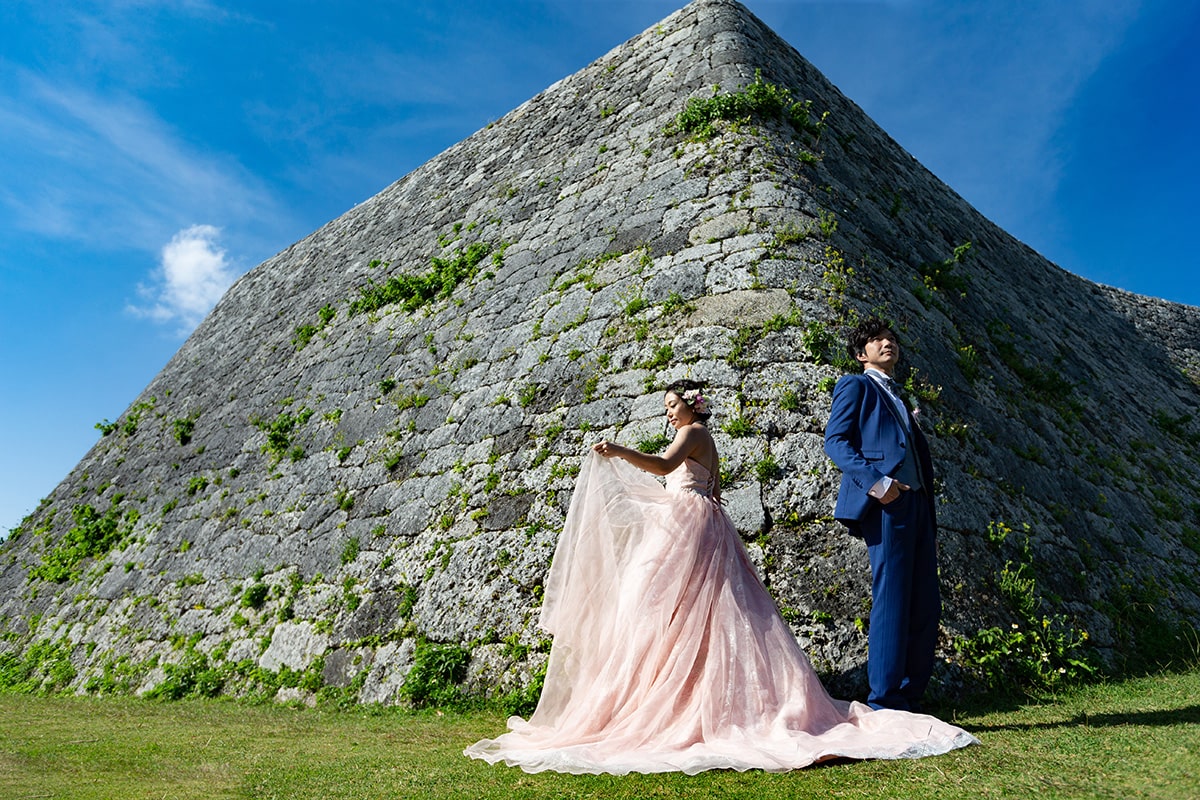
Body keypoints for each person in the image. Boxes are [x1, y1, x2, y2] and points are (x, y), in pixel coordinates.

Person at [465, 379, 974, 774]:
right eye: (666, 407)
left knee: (665, 606)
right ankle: (678, 696)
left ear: (692, 405)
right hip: (695, 522)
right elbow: (701, 485)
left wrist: (618, 452)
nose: (668, 412)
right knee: (694, 613)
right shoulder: (700, 436)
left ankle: (668, 701)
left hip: (687, 527)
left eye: (672, 404)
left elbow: (667, 469)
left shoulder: (692, 433)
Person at [824, 318, 940, 712]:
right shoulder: (854, 385)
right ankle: (885, 702)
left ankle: (911, 694)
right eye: (877, 340)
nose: (887, 342)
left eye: (890, 338)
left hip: (919, 502)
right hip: (888, 501)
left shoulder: (900, 396)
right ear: (861, 354)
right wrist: (880, 485)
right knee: (891, 596)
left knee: (926, 599)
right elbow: (835, 442)